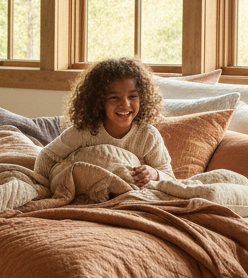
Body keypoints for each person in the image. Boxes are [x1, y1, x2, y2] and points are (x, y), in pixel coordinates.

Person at [34, 56, 173, 186]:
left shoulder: (148, 135)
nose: (125, 104)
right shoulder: (84, 132)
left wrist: (154, 174)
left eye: (132, 96)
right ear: (99, 101)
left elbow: (169, 176)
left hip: (130, 197)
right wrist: (43, 187)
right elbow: (47, 156)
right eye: (114, 98)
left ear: (143, 98)